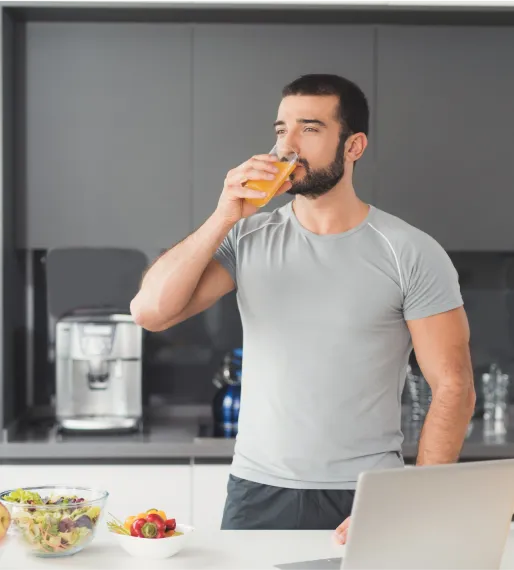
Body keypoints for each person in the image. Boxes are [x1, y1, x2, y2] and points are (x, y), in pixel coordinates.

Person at [130, 74, 476, 540]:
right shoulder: (247, 238)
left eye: (309, 129)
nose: (285, 147)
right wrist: (223, 215)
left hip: (369, 492)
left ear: (353, 146)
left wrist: (412, 502)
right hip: (257, 491)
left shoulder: (409, 251)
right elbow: (150, 312)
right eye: (280, 130)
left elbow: (454, 386)